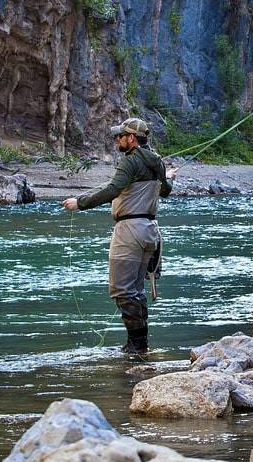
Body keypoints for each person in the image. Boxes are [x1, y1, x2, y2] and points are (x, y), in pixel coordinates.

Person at [62, 117, 174, 355]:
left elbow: (113, 190)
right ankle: (140, 345)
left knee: (122, 290)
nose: (117, 140)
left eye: (120, 136)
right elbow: (166, 191)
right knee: (135, 289)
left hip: (130, 231)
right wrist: (168, 176)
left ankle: (136, 344)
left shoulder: (130, 161)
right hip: (150, 232)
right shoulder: (157, 162)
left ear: (131, 138)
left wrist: (79, 203)